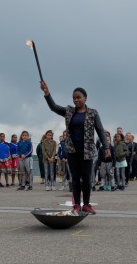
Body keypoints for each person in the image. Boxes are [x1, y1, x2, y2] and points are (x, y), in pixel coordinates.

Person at [41, 80, 109, 214]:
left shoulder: (93, 113)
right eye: (74, 98)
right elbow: (54, 107)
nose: (76, 100)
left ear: (85, 98)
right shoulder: (69, 111)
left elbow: (100, 130)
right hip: (72, 151)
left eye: (78, 97)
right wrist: (47, 93)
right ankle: (77, 204)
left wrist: (106, 146)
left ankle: (87, 204)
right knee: (75, 178)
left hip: (87, 151)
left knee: (87, 178)